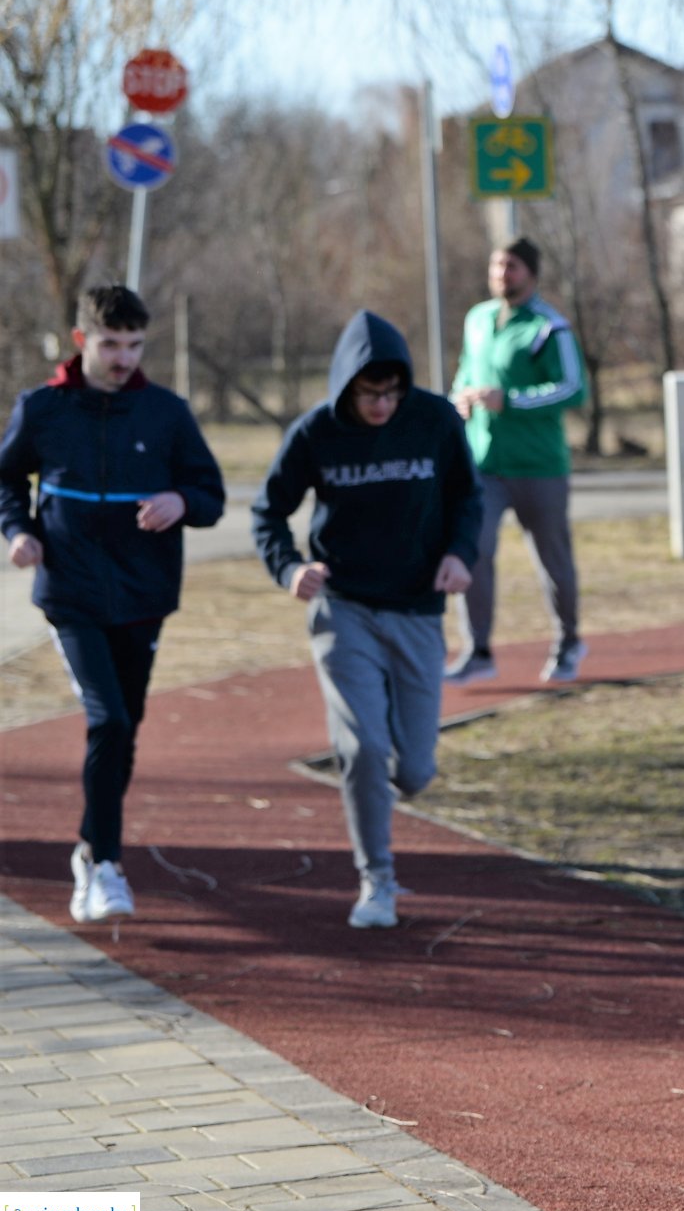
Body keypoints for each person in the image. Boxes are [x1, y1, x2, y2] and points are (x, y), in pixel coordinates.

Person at [0, 285, 225, 925]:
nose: (123, 358)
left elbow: (206, 491)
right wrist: (19, 530)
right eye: (110, 344)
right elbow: (6, 477)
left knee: (125, 728)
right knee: (110, 721)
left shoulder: (166, 412)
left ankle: (87, 846)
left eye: (133, 345)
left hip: (144, 594)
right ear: (82, 342)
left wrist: (182, 502)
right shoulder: (43, 408)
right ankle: (106, 864)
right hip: (70, 594)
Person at [252, 311, 482, 928]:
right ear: (347, 385)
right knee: (361, 746)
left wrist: (461, 554)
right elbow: (267, 512)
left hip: (415, 609)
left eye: (391, 392)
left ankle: (389, 803)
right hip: (343, 608)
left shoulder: (433, 420)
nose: (381, 404)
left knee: (414, 770)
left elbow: (468, 497)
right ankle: (376, 879)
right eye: (368, 392)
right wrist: (289, 568)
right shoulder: (316, 432)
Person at [446, 237, 589, 684]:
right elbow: (466, 374)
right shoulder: (478, 319)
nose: (501, 274)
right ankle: (479, 649)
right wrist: (459, 402)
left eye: (510, 266)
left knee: (552, 560)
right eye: (496, 265)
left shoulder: (550, 328)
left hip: (539, 467)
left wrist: (510, 401)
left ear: (529, 272)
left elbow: (572, 388)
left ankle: (569, 641)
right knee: (474, 551)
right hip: (484, 465)